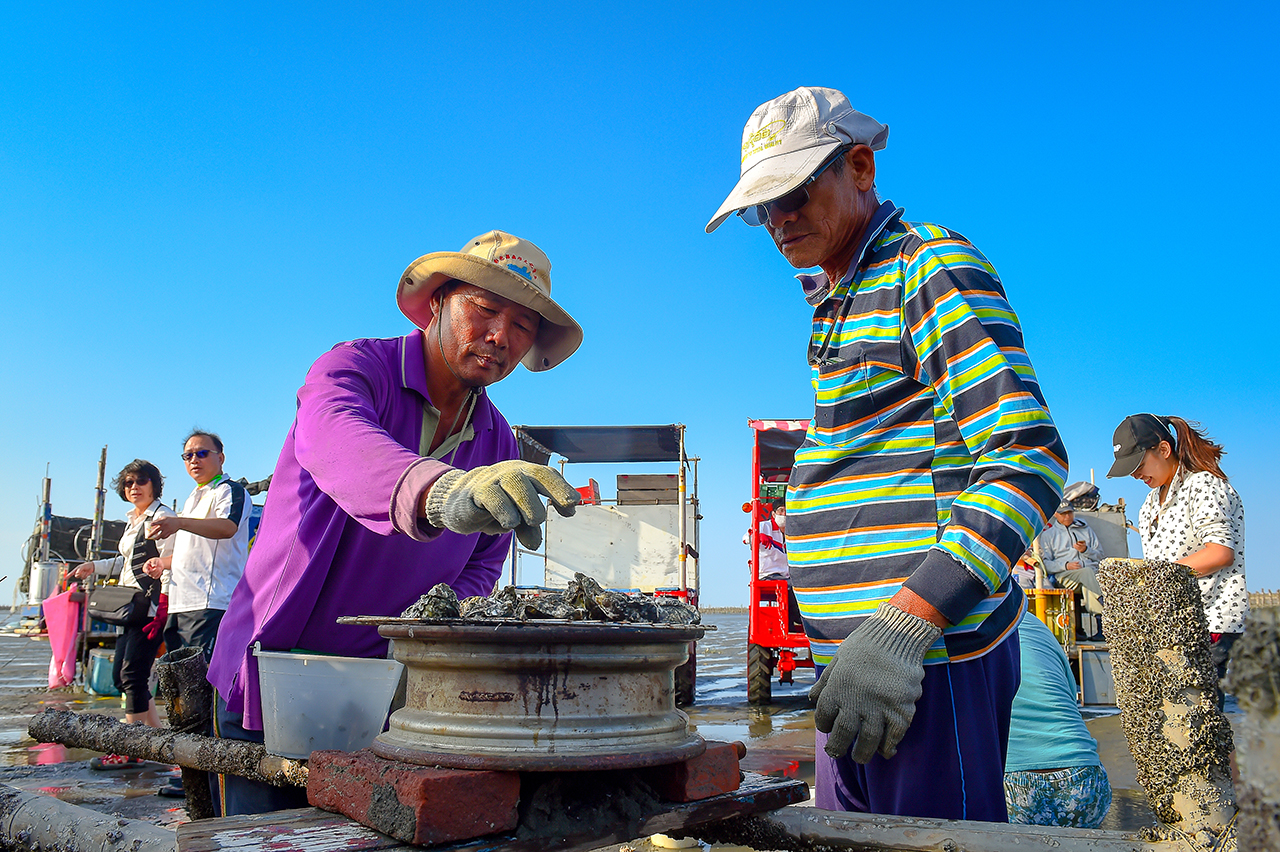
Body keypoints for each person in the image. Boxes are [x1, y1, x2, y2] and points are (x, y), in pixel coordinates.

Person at [707, 87, 1066, 820]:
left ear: (861, 168)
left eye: (793, 196)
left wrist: (906, 625)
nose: (778, 223)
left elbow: (1027, 455)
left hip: (926, 663)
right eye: (762, 209)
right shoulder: (837, 298)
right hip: (859, 670)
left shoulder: (924, 266)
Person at [205, 230, 583, 815]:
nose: (500, 336)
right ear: (437, 302)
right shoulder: (355, 369)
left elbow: (484, 562)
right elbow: (338, 442)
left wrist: (426, 641)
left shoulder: (499, 439)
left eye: (523, 326)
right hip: (276, 674)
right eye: (484, 310)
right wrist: (439, 490)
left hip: (385, 692)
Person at [1107, 413, 1248, 706]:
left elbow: (1220, 551)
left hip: (1210, 619)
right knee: (1189, 725)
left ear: (1163, 449)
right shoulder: (1149, 504)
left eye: (1139, 465)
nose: (1135, 475)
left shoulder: (1204, 486)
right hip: (1171, 623)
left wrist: (1153, 578)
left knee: (1199, 719)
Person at [71, 460, 175, 768]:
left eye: (141, 480)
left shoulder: (162, 517)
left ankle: (132, 748)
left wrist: (164, 607)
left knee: (131, 675)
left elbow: (173, 559)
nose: (134, 487)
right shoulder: (134, 520)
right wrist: (94, 567)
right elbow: (124, 562)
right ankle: (158, 744)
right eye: (128, 482)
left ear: (154, 484)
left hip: (150, 608)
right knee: (128, 677)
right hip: (130, 608)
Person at [144, 430, 253, 663]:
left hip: (210, 603)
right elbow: (193, 551)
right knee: (179, 685)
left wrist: (180, 522)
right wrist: (162, 563)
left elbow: (228, 527)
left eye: (202, 453)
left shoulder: (230, 490)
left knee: (201, 686)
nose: (194, 460)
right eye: (188, 456)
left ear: (220, 458)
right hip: (179, 603)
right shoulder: (192, 497)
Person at [1004, 611, 1112, 828]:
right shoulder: (1034, 624)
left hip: (1016, 783)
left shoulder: (969, 629)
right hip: (1085, 777)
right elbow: (1070, 695)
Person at [1036, 501, 1105, 617]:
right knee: (1087, 573)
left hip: (1090, 573)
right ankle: (1104, 605)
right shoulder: (1049, 535)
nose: (1067, 517)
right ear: (1055, 514)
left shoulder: (1085, 529)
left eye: (1070, 513)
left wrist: (1086, 550)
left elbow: (1100, 556)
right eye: (1063, 514)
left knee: (1088, 580)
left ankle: (1097, 624)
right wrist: (1066, 565)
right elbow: (1045, 564)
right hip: (1064, 575)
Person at [744, 503, 803, 634]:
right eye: (781, 511)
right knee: (789, 587)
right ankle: (797, 620)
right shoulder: (764, 526)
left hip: (786, 575)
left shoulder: (792, 532)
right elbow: (745, 538)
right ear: (774, 514)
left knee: (802, 585)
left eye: (787, 511)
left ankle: (804, 620)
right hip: (768, 574)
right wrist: (757, 537)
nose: (784, 514)